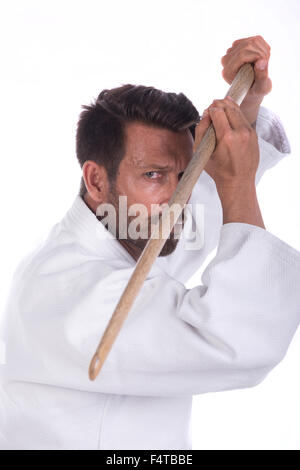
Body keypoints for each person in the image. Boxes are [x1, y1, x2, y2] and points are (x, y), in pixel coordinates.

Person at [0, 36, 299, 450]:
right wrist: (238, 183)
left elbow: (197, 208)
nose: (179, 198)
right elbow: (235, 338)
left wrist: (241, 114)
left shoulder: (126, 227)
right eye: (154, 175)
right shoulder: (70, 291)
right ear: (96, 179)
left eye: (184, 174)